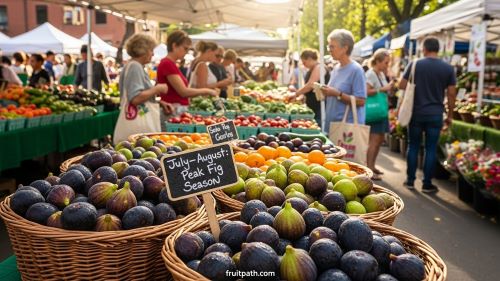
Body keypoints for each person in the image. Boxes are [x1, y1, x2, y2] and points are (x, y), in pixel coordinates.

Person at [399, 37, 457, 193]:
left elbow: (401, 85)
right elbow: (451, 94)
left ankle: (410, 181)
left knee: (413, 145)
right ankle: (426, 183)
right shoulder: (447, 68)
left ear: (424, 48)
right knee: (430, 148)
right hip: (435, 114)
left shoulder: (415, 64)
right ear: (438, 49)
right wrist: (450, 114)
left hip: (416, 113)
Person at [113, 34, 169, 143]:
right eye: (151, 50)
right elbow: (135, 98)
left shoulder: (134, 65)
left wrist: (159, 101)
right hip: (138, 131)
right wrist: (157, 89)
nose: (153, 54)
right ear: (142, 50)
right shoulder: (135, 66)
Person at [156, 30, 217, 128]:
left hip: (175, 110)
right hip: (173, 111)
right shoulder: (167, 63)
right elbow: (183, 91)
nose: (186, 52)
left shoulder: (171, 64)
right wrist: (207, 90)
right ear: (174, 46)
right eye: (185, 48)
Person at [320, 29, 367, 132]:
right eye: (329, 46)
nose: (330, 50)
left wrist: (337, 94)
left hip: (347, 129)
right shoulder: (336, 68)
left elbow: (361, 101)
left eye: (332, 46)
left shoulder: (356, 70)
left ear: (345, 48)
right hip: (332, 126)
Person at [365, 48, 394, 180]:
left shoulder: (381, 73)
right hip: (375, 112)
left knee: (379, 139)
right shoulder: (371, 74)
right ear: (377, 61)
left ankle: (372, 165)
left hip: (381, 111)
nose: (387, 65)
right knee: (374, 141)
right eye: (386, 62)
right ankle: (369, 169)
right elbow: (365, 91)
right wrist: (383, 89)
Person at [287, 49, 330, 125]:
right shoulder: (312, 69)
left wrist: (296, 94)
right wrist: (302, 96)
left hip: (319, 106)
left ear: (310, 59)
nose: (303, 65)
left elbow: (311, 84)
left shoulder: (319, 67)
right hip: (313, 106)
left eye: (304, 62)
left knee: (318, 124)